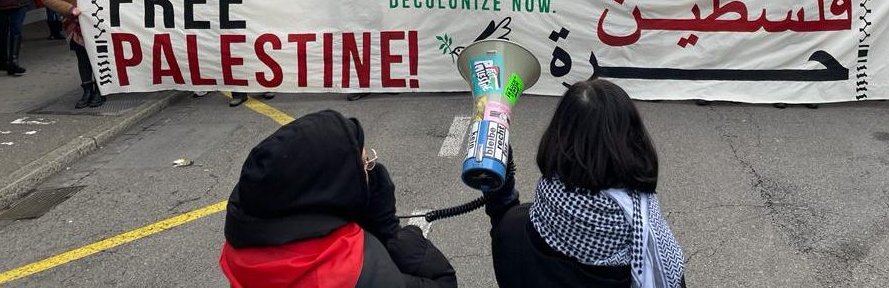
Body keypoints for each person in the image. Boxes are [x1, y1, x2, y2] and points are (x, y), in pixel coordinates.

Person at [220, 110, 457, 287]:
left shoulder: (243, 251)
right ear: (330, 187)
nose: (371, 171)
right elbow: (443, 281)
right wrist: (390, 232)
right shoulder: (363, 271)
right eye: (365, 165)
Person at [485, 79, 685, 288]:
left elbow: (503, 231)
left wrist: (498, 183)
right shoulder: (650, 250)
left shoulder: (513, 232)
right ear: (633, 140)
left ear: (557, 136)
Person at [40, 0, 104, 108]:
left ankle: (101, 89)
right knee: (82, 56)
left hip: (98, 18)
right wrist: (69, 9)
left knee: (99, 53)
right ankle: (87, 89)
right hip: (74, 20)